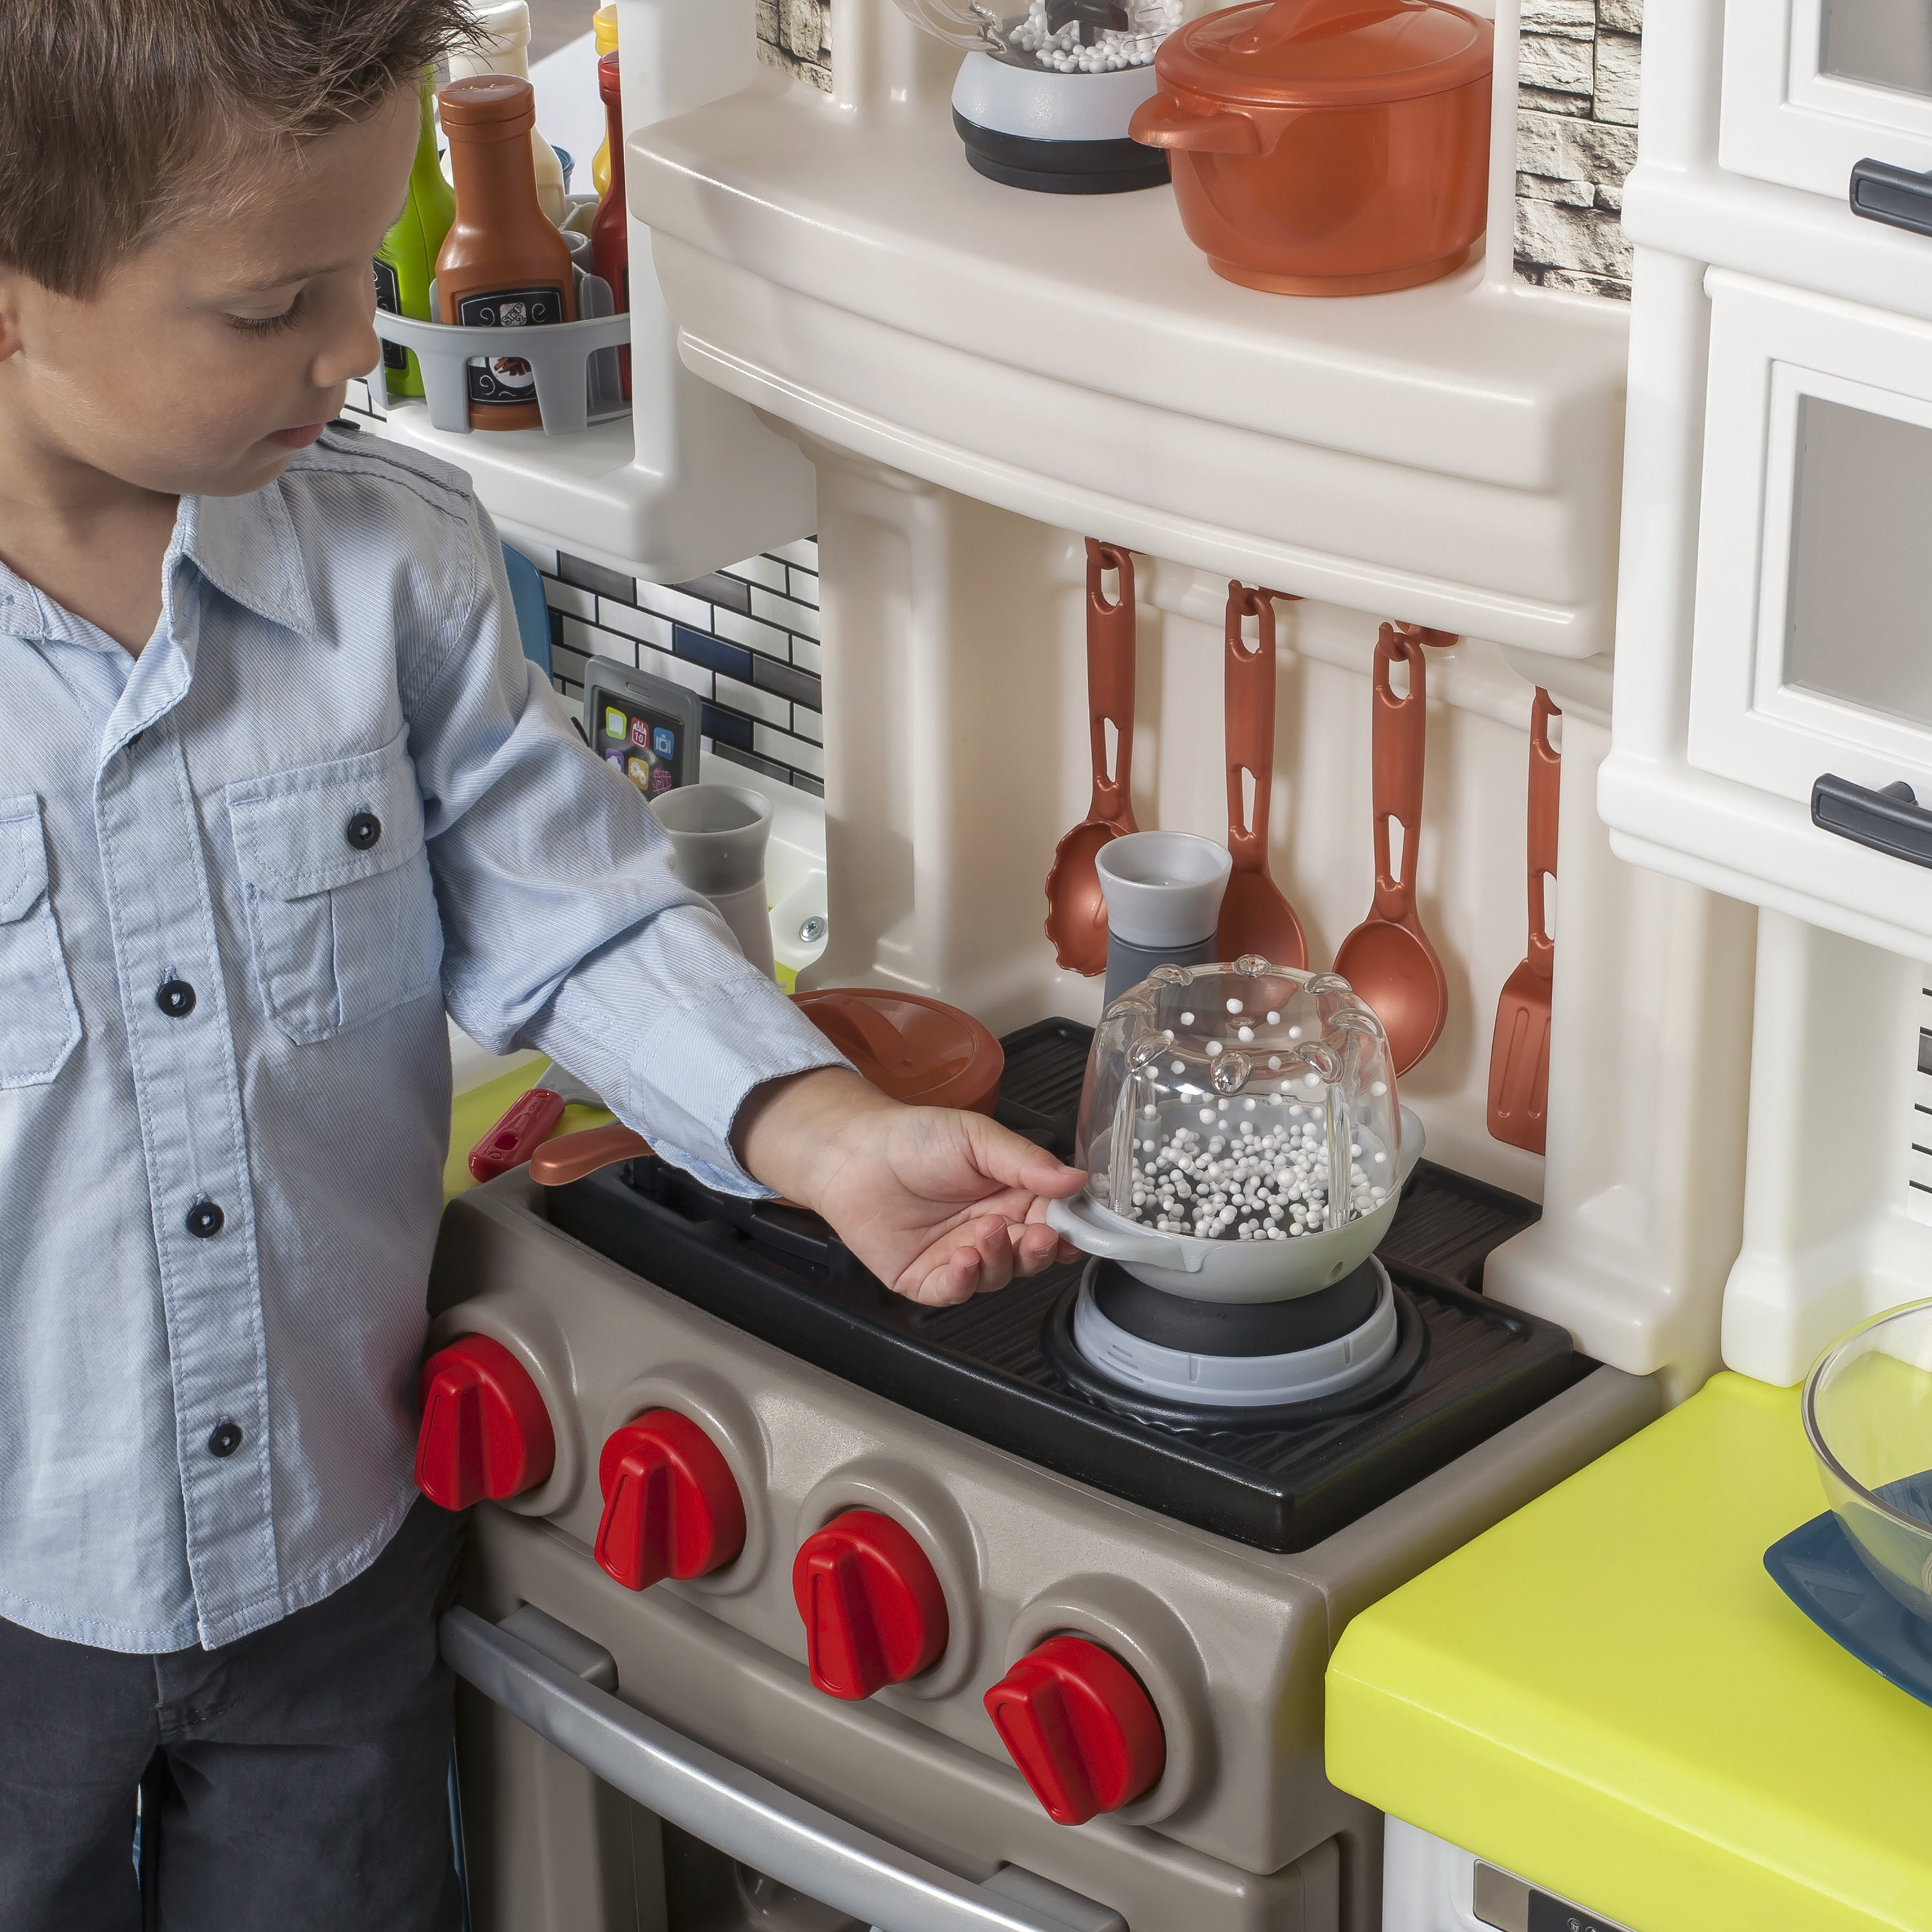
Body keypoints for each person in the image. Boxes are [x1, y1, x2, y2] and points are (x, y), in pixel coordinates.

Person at [0, 4, 1084, 1925]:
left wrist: (826, 1137)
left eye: (369, 270)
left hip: (337, 1570)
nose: (353, 352)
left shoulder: (389, 570)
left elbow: (573, 906)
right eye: (272, 309)